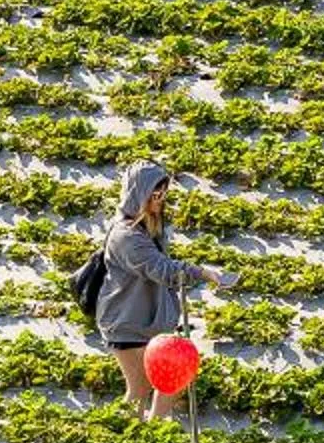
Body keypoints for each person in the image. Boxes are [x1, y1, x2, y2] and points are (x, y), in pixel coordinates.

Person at [96, 162, 230, 416]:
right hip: (127, 323)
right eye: (155, 195)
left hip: (148, 321)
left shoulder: (147, 227)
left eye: (164, 194)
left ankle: (155, 432)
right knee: (139, 389)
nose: (160, 201)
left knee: (171, 380)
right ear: (140, 193)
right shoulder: (126, 236)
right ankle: (124, 440)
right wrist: (203, 273)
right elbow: (163, 270)